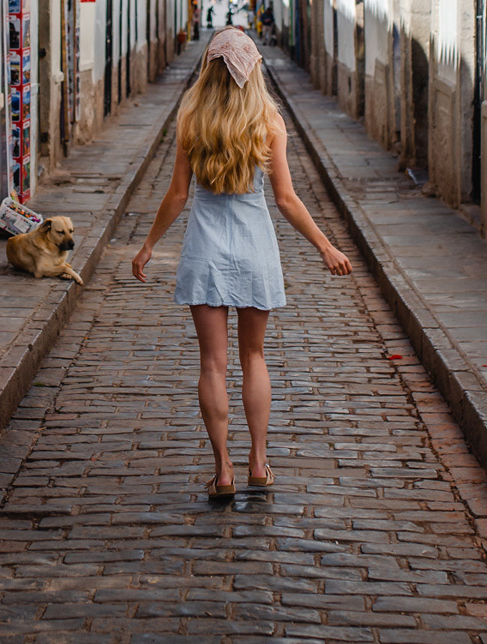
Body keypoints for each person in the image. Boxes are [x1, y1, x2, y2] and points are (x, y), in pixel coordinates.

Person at [131, 28, 352, 498]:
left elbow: (177, 195)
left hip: (205, 249)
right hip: (255, 249)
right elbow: (288, 200)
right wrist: (325, 247)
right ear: (253, 70)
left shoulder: (192, 121)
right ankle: (257, 461)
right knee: (254, 357)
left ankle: (224, 470)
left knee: (212, 364)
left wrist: (149, 244)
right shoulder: (269, 122)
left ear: (208, 69)